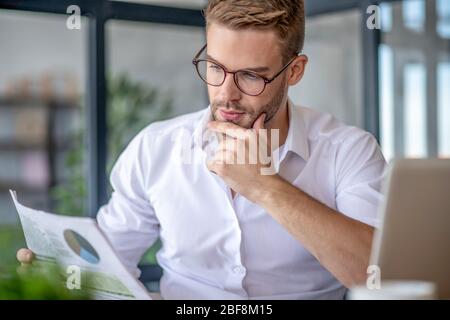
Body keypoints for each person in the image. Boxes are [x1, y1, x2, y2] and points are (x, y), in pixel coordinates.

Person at [17, 0, 386, 299]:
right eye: (214, 67)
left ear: (294, 71)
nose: (226, 93)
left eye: (251, 75)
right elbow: (105, 267)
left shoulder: (348, 151)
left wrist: (264, 187)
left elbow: (375, 275)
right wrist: (56, 273)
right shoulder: (155, 149)